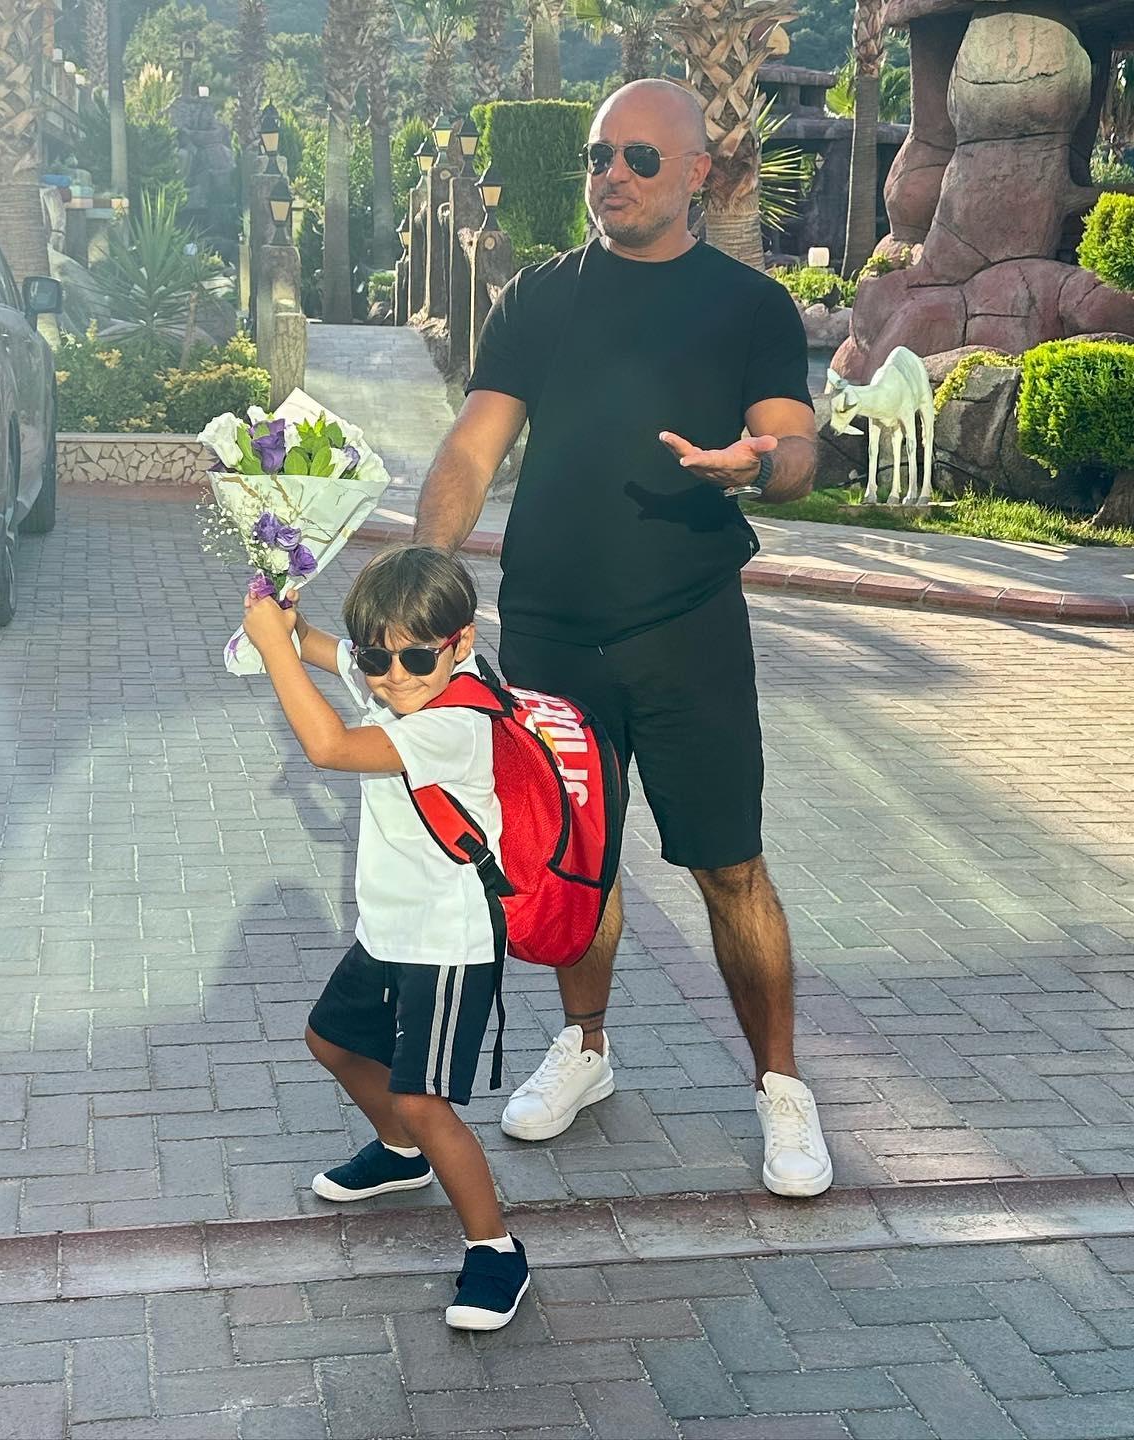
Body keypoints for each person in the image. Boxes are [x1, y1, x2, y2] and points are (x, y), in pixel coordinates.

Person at [412, 78, 833, 1198]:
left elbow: (795, 446)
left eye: (642, 158)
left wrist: (762, 464)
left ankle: (781, 1087)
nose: (613, 175)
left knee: (728, 865)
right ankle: (586, 1049)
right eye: (600, 155)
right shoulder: (540, 298)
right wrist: (426, 570)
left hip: (688, 629)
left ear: (699, 173)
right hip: (551, 632)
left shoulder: (748, 307)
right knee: (575, 864)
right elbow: (474, 446)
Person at [241, 545, 531, 1329]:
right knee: (331, 1041)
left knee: (423, 1099)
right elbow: (322, 648)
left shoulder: (457, 722)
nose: (393, 677)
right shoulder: (397, 674)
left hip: (449, 943)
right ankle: (401, 1155)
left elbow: (330, 748)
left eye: (415, 657)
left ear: (461, 643)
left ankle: (496, 1251)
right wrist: (286, 618)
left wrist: (273, 651)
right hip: (390, 929)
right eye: (378, 658)